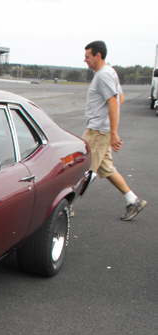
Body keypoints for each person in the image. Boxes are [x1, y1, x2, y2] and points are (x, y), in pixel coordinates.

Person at [83, 40, 147, 221]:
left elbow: (113, 101)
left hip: (97, 132)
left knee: (84, 169)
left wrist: (112, 132)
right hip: (100, 130)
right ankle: (132, 200)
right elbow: (121, 98)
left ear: (98, 55)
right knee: (107, 169)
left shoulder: (103, 75)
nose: (85, 60)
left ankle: (66, 207)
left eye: (88, 56)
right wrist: (105, 115)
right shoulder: (109, 72)